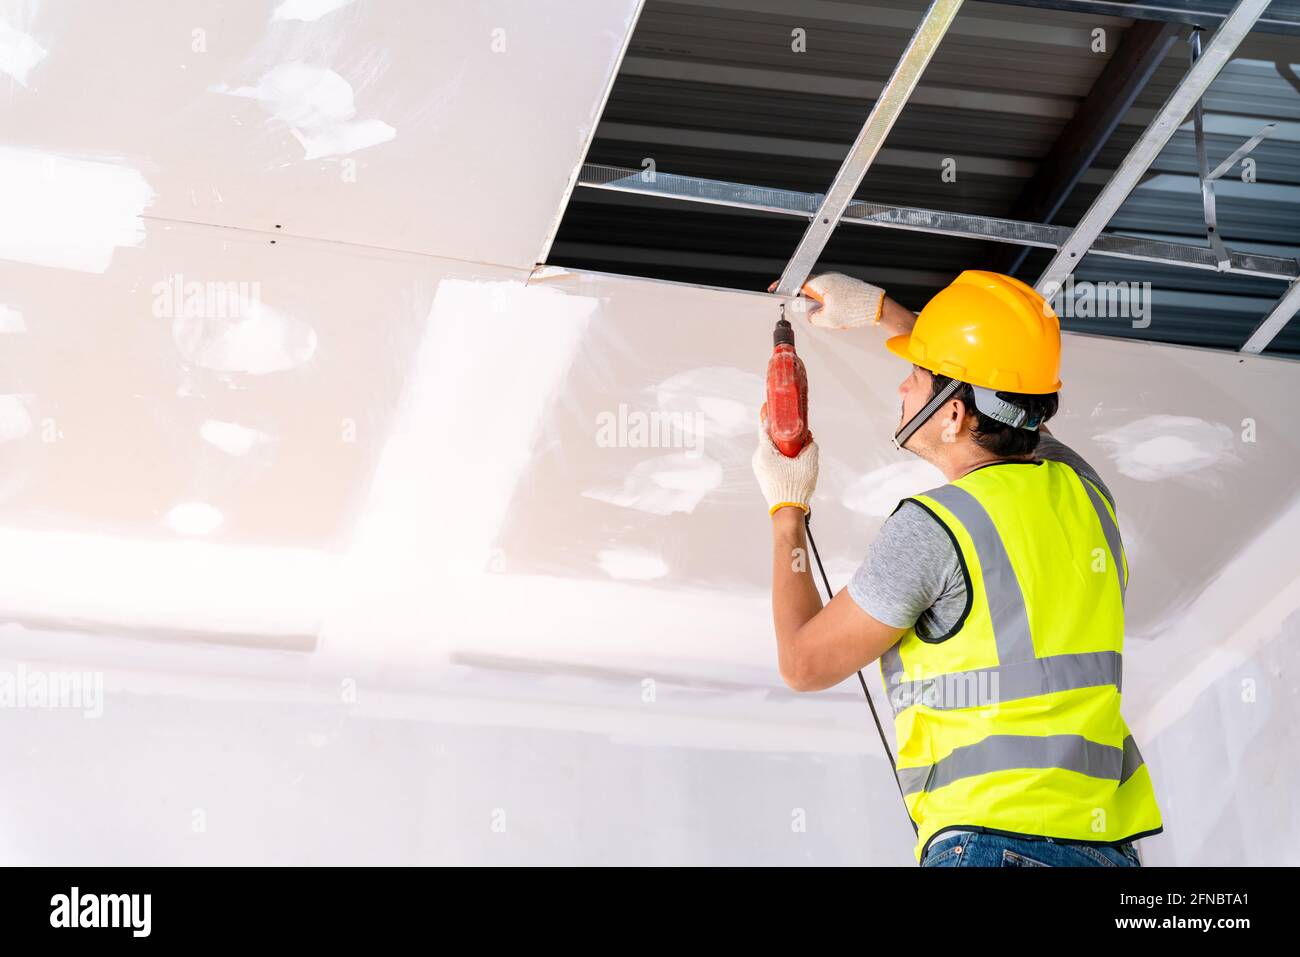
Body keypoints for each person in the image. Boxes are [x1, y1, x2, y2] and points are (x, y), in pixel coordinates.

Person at [752, 270, 1163, 867]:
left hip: (992, 844)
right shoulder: (1085, 493)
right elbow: (1008, 401)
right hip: (1105, 850)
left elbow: (803, 663)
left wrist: (786, 508)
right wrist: (885, 313)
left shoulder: (935, 528)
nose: (901, 385)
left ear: (952, 417)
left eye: (916, 375)